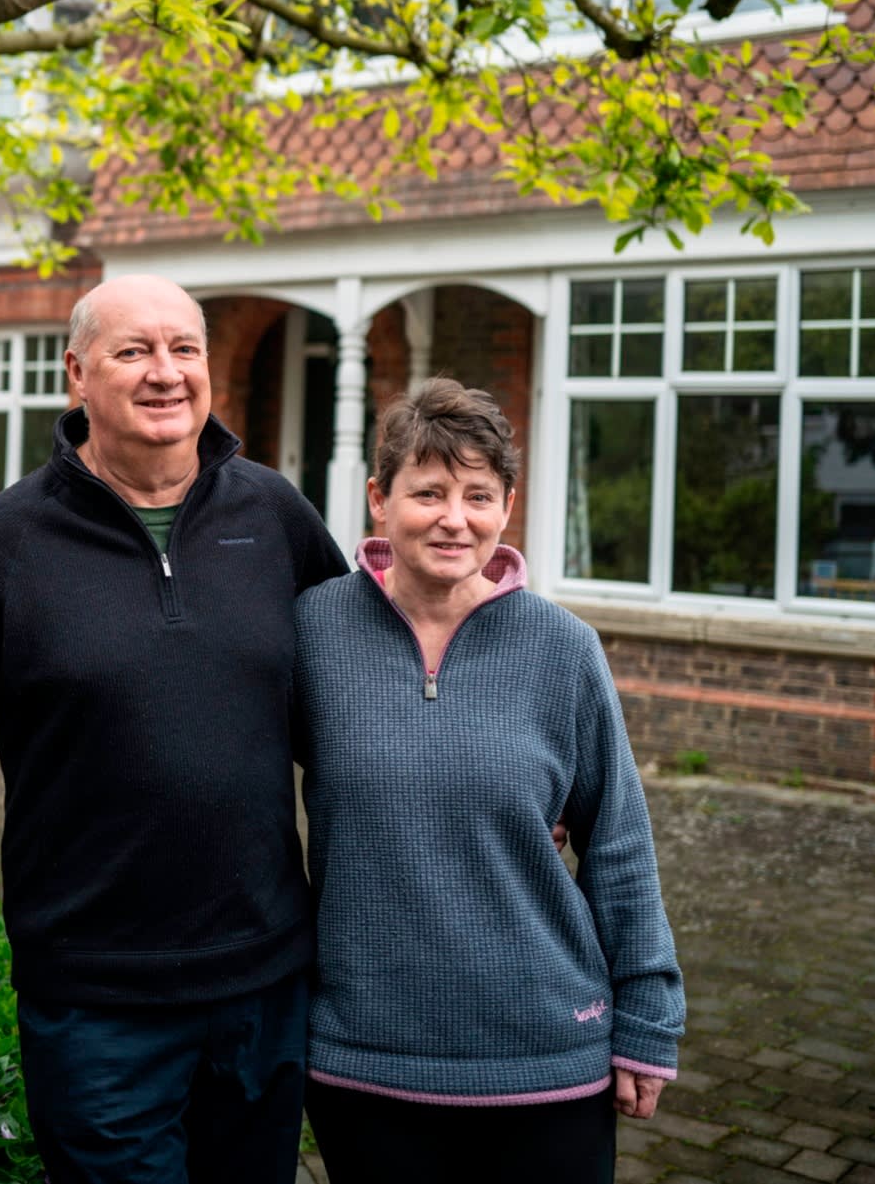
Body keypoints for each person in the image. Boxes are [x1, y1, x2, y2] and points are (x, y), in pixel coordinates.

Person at [0, 273, 349, 1183]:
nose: (165, 372)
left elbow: (355, 697)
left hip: (262, 983)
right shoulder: (10, 540)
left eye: (184, 349)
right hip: (98, 1002)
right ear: (77, 374)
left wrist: (480, 789)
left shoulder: (275, 516)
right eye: (132, 350)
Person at [293, 378, 685, 1184]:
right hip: (366, 1057)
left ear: (507, 504)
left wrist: (648, 1019)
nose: (454, 517)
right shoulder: (313, 632)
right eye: (428, 491)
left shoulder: (564, 649)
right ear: (379, 497)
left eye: (479, 494)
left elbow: (617, 841)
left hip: (546, 1056)